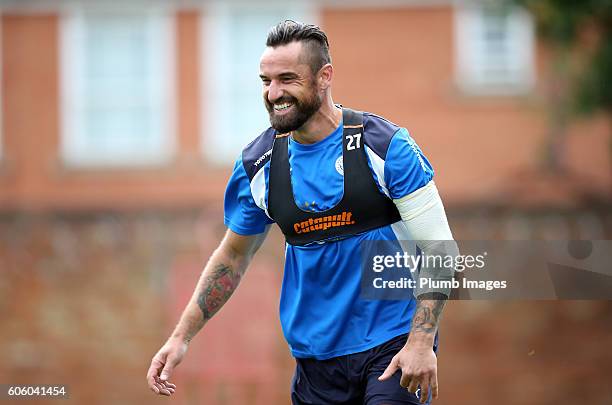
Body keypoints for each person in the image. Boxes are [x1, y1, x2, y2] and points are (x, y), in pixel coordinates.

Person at [147, 20, 457, 404]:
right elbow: (232, 256)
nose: (274, 93)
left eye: (287, 79)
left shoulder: (386, 147)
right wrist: (181, 337)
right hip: (315, 362)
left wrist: (422, 341)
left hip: (392, 348)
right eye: (266, 81)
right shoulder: (257, 166)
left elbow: (441, 250)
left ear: (324, 77)